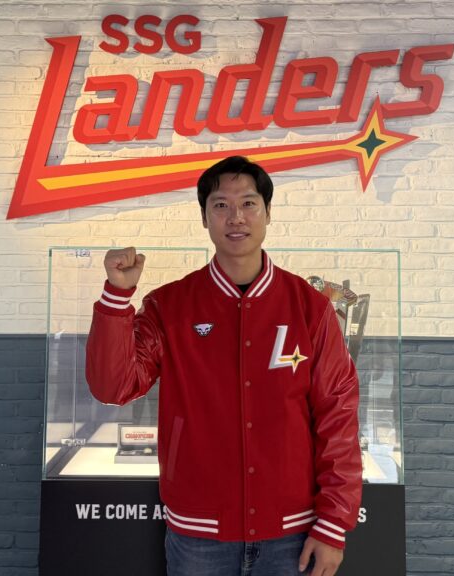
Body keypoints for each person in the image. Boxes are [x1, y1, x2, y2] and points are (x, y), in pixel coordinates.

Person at [86, 156, 362, 576]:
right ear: (204, 217)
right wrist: (116, 297)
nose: (236, 217)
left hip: (292, 531)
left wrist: (333, 524)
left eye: (249, 203)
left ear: (268, 212)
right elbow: (114, 386)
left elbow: (337, 416)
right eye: (220, 205)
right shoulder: (169, 306)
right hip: (199, 533)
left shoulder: (310, 307)